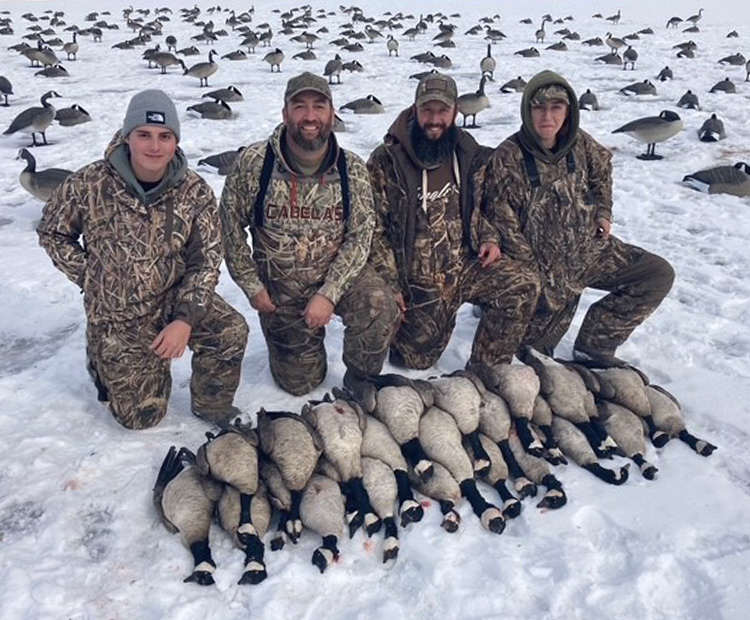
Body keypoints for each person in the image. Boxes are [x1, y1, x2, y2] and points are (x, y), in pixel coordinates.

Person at [37, 89, 248, 429]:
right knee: (141, 418)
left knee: (230, 331)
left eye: (165, 136)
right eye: (144, 135)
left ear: (175, 141)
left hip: (173, 293)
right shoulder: (89, 183)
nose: (154, 146)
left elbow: (206, 259)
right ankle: (102, 355)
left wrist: (185, 320)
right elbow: (52, 232)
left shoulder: (194, 191)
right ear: (127, 136)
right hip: (119, 309)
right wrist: (92, 275)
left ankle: (211, 404)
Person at [220, 72, 400, 396]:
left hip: (337, 275)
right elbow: (230, 226)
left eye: (319, 106)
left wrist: (329, 292)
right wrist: (251, 285)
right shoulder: (254, 163)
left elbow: (361, 236)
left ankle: (360, 377)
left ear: (331, 113)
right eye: (299, 106)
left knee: (379, 304)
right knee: (300, 385)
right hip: (281, 288)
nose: (310, 116)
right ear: (285, 113)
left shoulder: (351, 168)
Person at [480, 70, 675, 365]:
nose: (548, 116)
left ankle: (595, 345)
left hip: (591, 251)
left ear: (568, 111)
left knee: (657, 274)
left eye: (556, 107)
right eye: (539, 107)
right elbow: (500, 219)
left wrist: (603, 212)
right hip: (545, 272)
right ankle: (494, 309)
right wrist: (538, 274)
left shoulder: (579, 143)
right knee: (532, 354)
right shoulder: (508, 156)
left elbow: (602, 170)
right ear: (527, 110)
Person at [367, 72, 540, 370]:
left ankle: (489, 369)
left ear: (455, 112)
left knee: (523, 284)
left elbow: (484, 206)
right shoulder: (387, 161)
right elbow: (374, 230)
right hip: (418, 279)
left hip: (467, 265)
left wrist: (489, 238)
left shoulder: (469, 154)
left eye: (443, 111)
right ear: (415, 110)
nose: (435, 119)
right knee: (415, 360)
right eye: (427, 110)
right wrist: (390, 283)